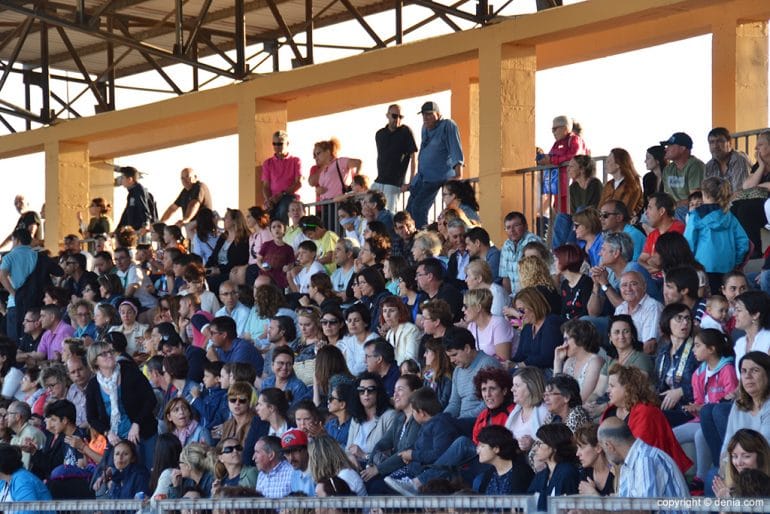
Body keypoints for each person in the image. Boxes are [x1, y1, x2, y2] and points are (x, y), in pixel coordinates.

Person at [601, 364, 692, 473]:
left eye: (612, 386)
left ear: (627, 388)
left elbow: (640, 453)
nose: (608, 390)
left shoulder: (646, 413)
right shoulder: (610, 412)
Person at [598, 416, 689, 502]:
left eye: (604, 450)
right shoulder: (629, 463)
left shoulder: (645, 460)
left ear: (609, 445)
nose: (605, 455)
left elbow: (644, 509)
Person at [684, 175, 749, 293]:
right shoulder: (729, 216)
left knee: (709, 299)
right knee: (726, 297)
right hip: (728, 266)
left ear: (705, 194)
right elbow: (743, 242)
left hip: (702, 265)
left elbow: (688, 242)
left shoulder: (695, 215)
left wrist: (689, 264)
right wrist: (736, 262)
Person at [360, 374, 423, 494]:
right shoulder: (399, 417)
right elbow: (382, 443)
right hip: (393, 467)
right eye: (394, 391)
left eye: (400, 390)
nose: (395, 395)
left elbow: (404, 453)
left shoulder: (418, 419)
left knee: (376, 486)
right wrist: (370, 464)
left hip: (409, 471)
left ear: (414, 393)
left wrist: (377, 469)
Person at [406, 101, 464, 228]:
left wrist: (458, 174)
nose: (425, 118)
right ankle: (413, 236)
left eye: (429, 114)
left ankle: (424, 236)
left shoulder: (447, 125)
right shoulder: (424, 128)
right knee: (409, 210)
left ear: (438, 114)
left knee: (418, 207)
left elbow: (455, 148)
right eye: (423, 115)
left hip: (437, 176)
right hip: (422, 177)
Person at [536, 115, 590, 215]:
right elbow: (551, 156)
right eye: (552, 130)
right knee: (561, 215)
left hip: (572, 185)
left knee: (571, 214)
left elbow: (574, 156)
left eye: (555, 129)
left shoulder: (575, 139)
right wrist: (544, 159)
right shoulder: (556, 144)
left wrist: (552, 160)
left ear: (565, 128)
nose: (553, 132)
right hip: (559, 187)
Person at [346, 373, 396, 467]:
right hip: (353, 466)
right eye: (361, 390)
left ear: (378, 392)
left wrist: (364, 455)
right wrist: (351, 457)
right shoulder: (356, 418)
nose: (366, 394)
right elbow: (348, 449)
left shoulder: (390, 416)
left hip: (375, 469)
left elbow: (390, 455)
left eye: (371, 390)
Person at [373, 105, 418, 213]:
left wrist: (411, 181)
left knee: (389, 213)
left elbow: (413, 156)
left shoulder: (405, 132)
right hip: (379, 181)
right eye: (394, 116)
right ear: (387, 115)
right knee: (370, 210)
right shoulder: (380, 134)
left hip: (394, 183)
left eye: (400, 117)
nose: (397, 119)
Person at [527, 423, 581, 512]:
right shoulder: (541, 475)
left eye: (540, 444)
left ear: (554, 446)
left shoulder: (567, 473)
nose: (534, 449)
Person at [310, 138, 362, 227]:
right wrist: (319, 191)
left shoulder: (340, 162)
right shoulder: (323, 170)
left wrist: (355, 182)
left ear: (328, 152)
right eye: (314, 155)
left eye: (318, 153)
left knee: (338, 230)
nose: (315, 157)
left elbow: (358, 163)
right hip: (326, 206)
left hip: (339, 204)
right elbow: (312, 182)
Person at [509, 287, 562, 370]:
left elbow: (547, 358)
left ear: (534, 305)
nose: (520, 314)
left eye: (521, 310)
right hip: (528, 372)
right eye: (518, 311)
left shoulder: (551, 322)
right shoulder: (527, 328)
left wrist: (519, 365)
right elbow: (519, 356)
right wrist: (508, 363)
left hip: (548, 372)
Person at [0, 229, 38, 341]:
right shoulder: (36, 255)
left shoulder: (9, 257)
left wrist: (13, 293)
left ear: (17, 240)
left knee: (14, 340)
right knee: (32, 339)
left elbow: (2, 275)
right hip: (34, 301)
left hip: (15, 303)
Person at [712, 428, 770, 499]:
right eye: (735, 456)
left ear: (761, 457)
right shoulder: (728, 489)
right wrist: (725, 503)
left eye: (746, 456)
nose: (739, 463)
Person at [660, 132, 706, 221]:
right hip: (674, 208)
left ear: (682, 148)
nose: (666, 149)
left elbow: (695, 199)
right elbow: (667, 196)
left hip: (691, 208)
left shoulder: (695, 166)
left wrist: (672, 206)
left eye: (670, 146)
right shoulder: (668, 169)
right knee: (649, 215)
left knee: (678, 212)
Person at [553, 320, 603, 402]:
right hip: (567, 407)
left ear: (580, 339)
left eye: (566, 339)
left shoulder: (594, 362)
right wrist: (558, 362)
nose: (564, 344)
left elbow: (583, 399)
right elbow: (556, 391)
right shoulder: (569, 362)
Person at [463, 288, 516, 363]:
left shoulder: (499, 324)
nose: (463, 310)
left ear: (478, 308)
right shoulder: (471, 326)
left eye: (466, 307)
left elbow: (503, 361)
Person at [638, 192, 686, 275]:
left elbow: (659, 261)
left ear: (661, 211)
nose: (646, 213)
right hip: (655, 277)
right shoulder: (653, 234)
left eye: (650, 208)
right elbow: (641, 260)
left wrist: (651, 263)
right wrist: (649, 267)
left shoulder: (678, 230)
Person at [262, 131, 302, 224]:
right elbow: (265, 186)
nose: (277, 146)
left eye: (280, 144)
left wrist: (282, 194)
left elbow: (298, 183)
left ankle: (282, 232)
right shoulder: (267, 163)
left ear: (287, 144)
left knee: (283, 208)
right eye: (274, 144)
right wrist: (268, 200)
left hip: (289, 196)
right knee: (264, 216)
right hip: (273, 199)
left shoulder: (295, 161)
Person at [499, 211, 543, 295]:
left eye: (516, 226)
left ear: (525, 226)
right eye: (508, 227)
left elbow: (537, 276)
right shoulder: (506, 245)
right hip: (515, 297)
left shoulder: (532, 242)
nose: (512, 230)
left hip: (533, 295)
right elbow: (506, 278)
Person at [704, 127, 751, 195]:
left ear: (729, 142)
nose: (715, 146)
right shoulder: (709, 166)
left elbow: (740, 193)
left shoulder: (739, 159)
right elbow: (708, 193)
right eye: (711, 142)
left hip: (740, 200)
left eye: (719, 141)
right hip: (719, 201)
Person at [599, 148, 644, 219]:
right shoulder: (608, 185)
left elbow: (626, 210)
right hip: (606, 221)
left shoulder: (632, 184)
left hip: (621, 222)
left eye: (609, 161)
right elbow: (600, 207)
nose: (606, 164)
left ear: (618, 164)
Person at [574, 423, 614, 496]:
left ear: (598, 447)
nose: (577, 453)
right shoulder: (585, 474)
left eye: (582, 447)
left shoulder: (617, 472)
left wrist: (594, 494)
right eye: (577, 448)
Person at [116, 166, 154, 232]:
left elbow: (144, 209)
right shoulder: (131, 193)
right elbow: (126, 213)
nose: (121, 180)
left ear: (130, 179)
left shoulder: (138, 191)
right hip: (133, 230)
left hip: (140, 231)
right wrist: (118, 229)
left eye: (122, 178)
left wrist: (145, 225)